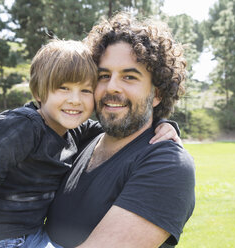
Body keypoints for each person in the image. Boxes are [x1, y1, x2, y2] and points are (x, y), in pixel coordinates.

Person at [0, 39, 179, 248]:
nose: (75, 100)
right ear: (38, 92)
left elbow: (126, 128)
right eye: (63, 88)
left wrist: (162, 123)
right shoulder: (20, 127)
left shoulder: (72, 130)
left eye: (86, 90)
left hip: (32, 236)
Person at [42, 12, 196, 248]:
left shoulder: (168, 164)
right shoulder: (82, 138)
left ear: (157, 94)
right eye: (103, 75)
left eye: (129, 77)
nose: (112, 86)